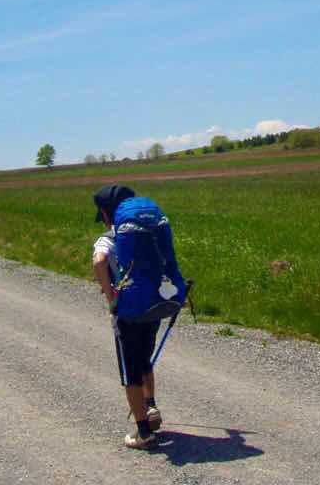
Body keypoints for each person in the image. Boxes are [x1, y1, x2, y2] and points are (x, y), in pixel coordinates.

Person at [92, 184, 187, 450]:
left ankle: (143, 433)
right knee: (145, 357)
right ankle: (151, 406)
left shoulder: (107, 239)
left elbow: (99, 263)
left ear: (106, 213)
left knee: (130, 369)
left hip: (128, 311)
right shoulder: (148, 230)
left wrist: (113, 299)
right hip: (155, 303)